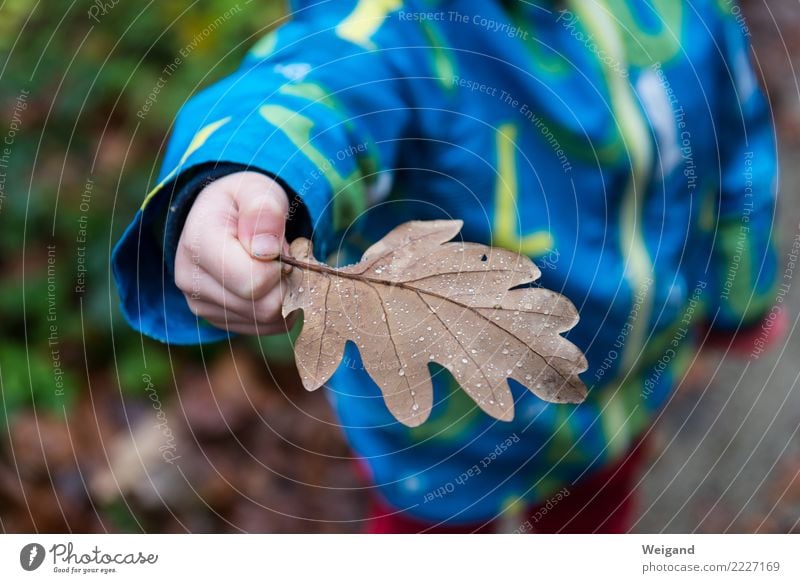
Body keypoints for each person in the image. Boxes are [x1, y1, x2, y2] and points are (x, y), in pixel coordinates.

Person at [112, 0, 783, 533]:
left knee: (595, 518)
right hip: (443, 442)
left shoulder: (688, 15)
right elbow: (319, 84)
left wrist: (739, 289)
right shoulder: (402, 25)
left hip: (620, 386)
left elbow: (737, 144)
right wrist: (253, 169)